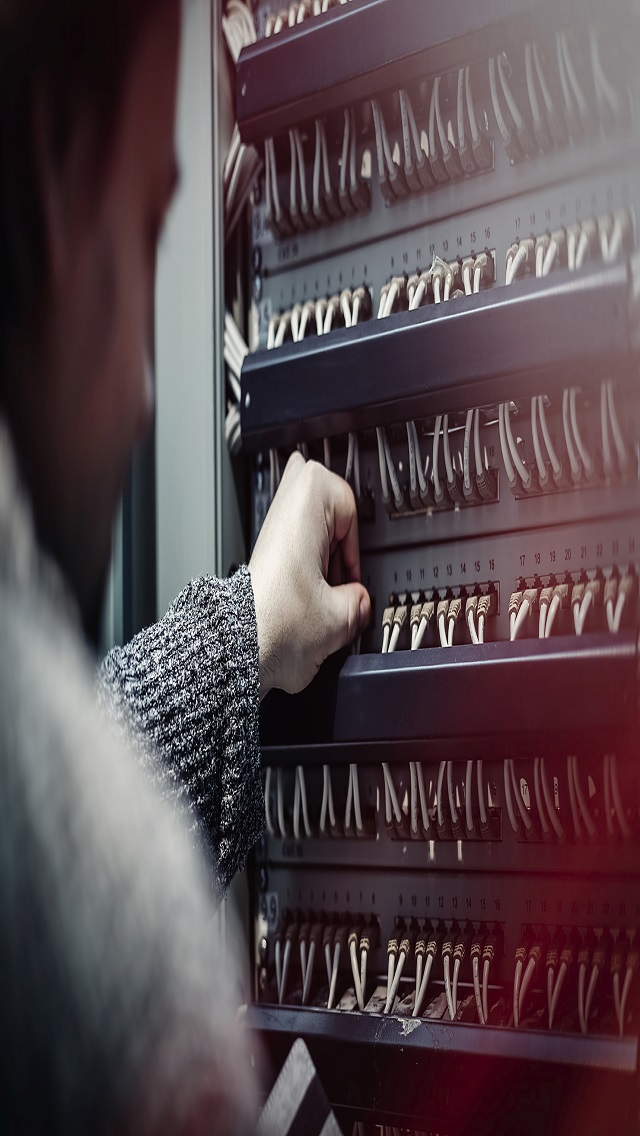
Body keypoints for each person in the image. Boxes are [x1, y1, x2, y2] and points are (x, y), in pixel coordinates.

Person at [0, 0, 371, 1132]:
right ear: (61, 192)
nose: (152, 398)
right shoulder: (118, 960)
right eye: (148, 223)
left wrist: (245, 627)